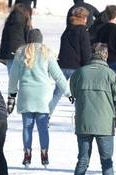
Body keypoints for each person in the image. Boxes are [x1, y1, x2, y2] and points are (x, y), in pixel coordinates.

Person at [70, 43, 116, 175]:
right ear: (105, 55)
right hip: (104, 124)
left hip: (83, 123)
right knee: (106, 161)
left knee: (82, 160)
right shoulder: (111, 74)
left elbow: (73, 91)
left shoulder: (79, 73)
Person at [8, 29, 71, 167]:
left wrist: (11, 95)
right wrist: (68, 93)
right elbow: (58, 76)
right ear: (41, 39)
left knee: (27, 127)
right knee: (43, 128)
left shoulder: (20, 53)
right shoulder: (47, 53)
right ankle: (44, 153)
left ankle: (27, 154)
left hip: (26, 95)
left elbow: (13, 77)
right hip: (43, 96)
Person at [52, 7, 91, 114]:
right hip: (77, 67)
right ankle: (80, 117)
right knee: (79, 94)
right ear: (83, 18)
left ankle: (47, 115)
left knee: (57, 93)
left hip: (63, 65)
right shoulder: (83, 32)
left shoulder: (67, 30)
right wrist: (87, 67)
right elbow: (86, 52)